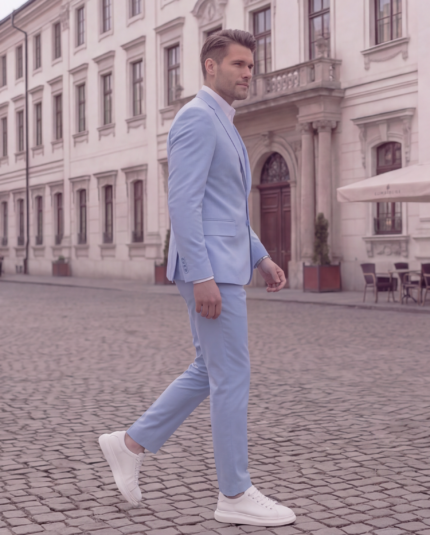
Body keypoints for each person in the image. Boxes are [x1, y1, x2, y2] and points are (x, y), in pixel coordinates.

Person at [99, 29, 296, 527]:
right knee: (232, 377)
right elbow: (183, 204)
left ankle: (130, 444)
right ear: (211, 66)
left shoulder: (223, 121)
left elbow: (226, 208)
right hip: (211, 270)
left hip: (226, 263)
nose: (248, 73)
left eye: (251, 65)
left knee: (210, 371)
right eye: (238, 65)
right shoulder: (196, 118)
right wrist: (203, 275)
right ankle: (234, 493)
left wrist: (261, 257)